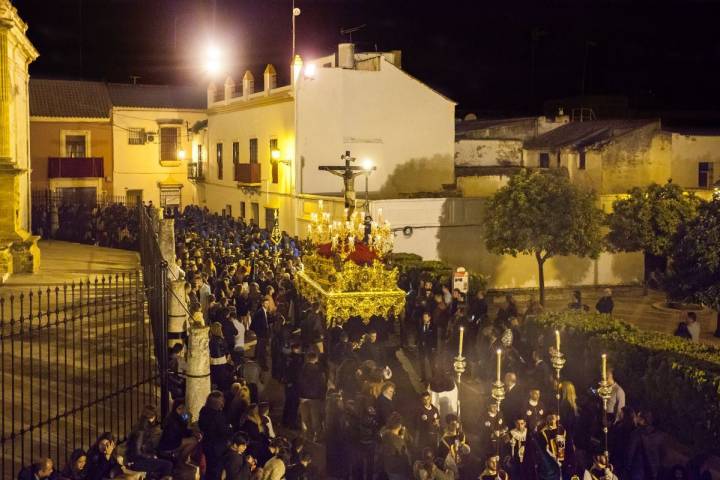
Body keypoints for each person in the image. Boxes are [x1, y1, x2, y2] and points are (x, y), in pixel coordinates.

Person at [125, 406, 173, 478]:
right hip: (136, 462)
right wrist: (151, 456)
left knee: (167, 459)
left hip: (139, 459)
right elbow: (137, 453)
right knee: (168, 465)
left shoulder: (142, 426)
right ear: (152, 417)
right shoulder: (141, 430)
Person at [199, 391, 234, 480]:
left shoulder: (204, 411)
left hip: (207, 444)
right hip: (217, 448)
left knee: (209, 468)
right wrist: (230, 427)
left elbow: (201, 425)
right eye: (222, 401)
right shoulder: (218, 416)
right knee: (216, 471)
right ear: (218, 402)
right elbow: (224, 431)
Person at [625, 410, 664, 480]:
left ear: (643, 420)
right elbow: (662, 453)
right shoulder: (659, 435)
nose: (636, 418)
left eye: (638, 417)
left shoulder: (636, 434)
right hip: (653, 470)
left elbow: (630, 452)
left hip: (637, 470)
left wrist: (627, 467)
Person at [298, 351, 326, 442]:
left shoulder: (302, 369)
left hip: (303, 396)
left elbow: (298, 382)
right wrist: (322, 397)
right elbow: (322, 385)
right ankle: (316, 436)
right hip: (315, 397)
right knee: (315, 419)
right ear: (316, 359)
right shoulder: (319, 371)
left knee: (305, 418)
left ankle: (306, 435)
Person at [379, 413, 412, 480]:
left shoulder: (385, 434)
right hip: (399, 471)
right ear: (399, 425)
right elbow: (410, 442)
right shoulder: (397, 439)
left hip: (389, 469)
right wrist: (402, 437)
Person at [250, 298, 271, 370]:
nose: (267, 305)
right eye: (266, 303)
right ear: (262, 304)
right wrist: (260, 334)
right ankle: (262, 365)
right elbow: (257, 325)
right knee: (262, 350)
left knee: (259, 347)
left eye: (268, 303)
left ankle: (256, 357)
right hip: (262, 334)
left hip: (262, 334)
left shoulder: (263, 311)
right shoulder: (260, 312)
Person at [417, 311, 438, 382]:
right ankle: (423, 377)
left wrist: (434, 347)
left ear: (429, 318)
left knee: (431, 362)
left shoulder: (433, 326)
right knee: (422, 363)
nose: (424, 318)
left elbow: (435, 337)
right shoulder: (421, 325)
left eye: (426, 317)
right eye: (424, 317)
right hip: (421, 347)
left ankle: (434, 377)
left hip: (429, 347)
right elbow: (419, 334)